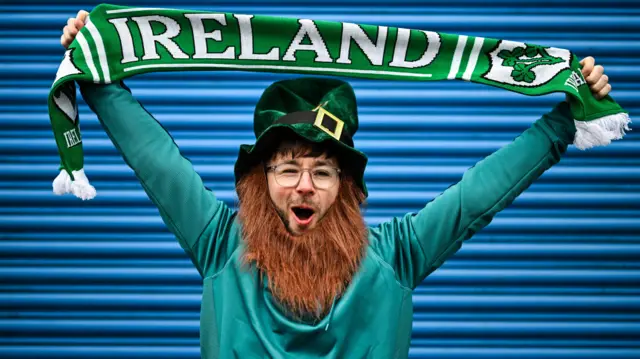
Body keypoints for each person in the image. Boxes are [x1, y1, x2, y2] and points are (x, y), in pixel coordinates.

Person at [61, 9, 613, 359]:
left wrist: (567, 117)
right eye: (287, 169)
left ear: (347, 188)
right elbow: (155, 158)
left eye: (323, 172)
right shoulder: (219, 244)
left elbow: (483, 190)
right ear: (259, 182)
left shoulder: (396, 254)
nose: (305, 186)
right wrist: (95, 64)